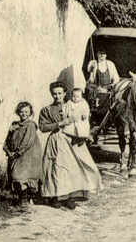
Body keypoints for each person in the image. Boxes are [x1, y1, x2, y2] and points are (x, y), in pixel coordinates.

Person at [40, 81, 102, 210]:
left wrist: (83, 133)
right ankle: (56, 196)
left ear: (64, 93)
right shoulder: (47, 109)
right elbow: (43, 127)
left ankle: (70, 197)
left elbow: (83, 119)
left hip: (72, 139)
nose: (57, 96)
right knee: (57, 168)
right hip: (56, 139)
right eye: (54, 94)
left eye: (59, 93)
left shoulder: (74, 105)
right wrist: (60, 123)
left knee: (73, 167)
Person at [3, 102, 43, 206]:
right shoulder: (15, 125)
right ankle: (21, 198)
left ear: (30, 113)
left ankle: (25, 199)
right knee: (16, 177)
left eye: (26, 112)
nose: (24, 114)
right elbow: (7, 140)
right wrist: (8, 151)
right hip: (15, 155)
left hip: (28, 156)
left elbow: (27, 141)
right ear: (18, 112)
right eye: (21, 112)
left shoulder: (30, 125)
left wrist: (18, 152)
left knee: (22, 177)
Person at [86, 49, 120, 114]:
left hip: (108, 90)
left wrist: (110, 87)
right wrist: (91, 69)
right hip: (96, 90)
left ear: (106, 55)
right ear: (97, 54)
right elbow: (90, 80)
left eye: (103, 54)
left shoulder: (110, 64)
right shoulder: (94, 63)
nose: (101, 55)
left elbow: (116, 79)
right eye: (100, 53)